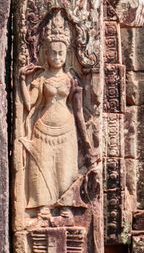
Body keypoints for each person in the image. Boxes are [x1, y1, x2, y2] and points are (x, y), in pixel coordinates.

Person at [19, 11, 91, 209]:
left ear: (67, 54)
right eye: (53, 53)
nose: (57, 57)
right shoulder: (41, 79)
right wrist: (23, 81)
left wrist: (86, 142)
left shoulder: (72, 79)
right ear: (45, 53)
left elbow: (78, 112)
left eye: (61, 53)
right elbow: (29, 104)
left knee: (65, 170)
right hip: (42, 129)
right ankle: (43, 207)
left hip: (67, 130)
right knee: (43, 170)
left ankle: (66, 206)